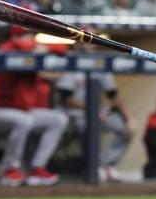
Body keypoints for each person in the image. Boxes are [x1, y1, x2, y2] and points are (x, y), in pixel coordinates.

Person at [0, 27, 68, 186]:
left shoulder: (32, 51)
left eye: (32, 35)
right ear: (14, 37)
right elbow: (23, 47)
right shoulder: (6, 49)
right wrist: (37, 47)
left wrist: (42, 47)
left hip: (20, 110)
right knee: (24, 120)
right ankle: (9, 169)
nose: (31, 39)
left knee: (58, 119)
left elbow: (63, 48)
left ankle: (37, 167)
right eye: (26, 35)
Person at [54, 53, 134, 182]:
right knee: (88, 125)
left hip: (97, 112)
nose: (85, 47)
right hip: (75, 114)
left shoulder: (100, 64)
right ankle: (95, 166)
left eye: (88, 44)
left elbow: (113, 95)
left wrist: (129, 119)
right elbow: (66, 99)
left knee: (123, 128)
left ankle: (106, 165)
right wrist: (93, 110)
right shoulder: (70, 64)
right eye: (81, 44)